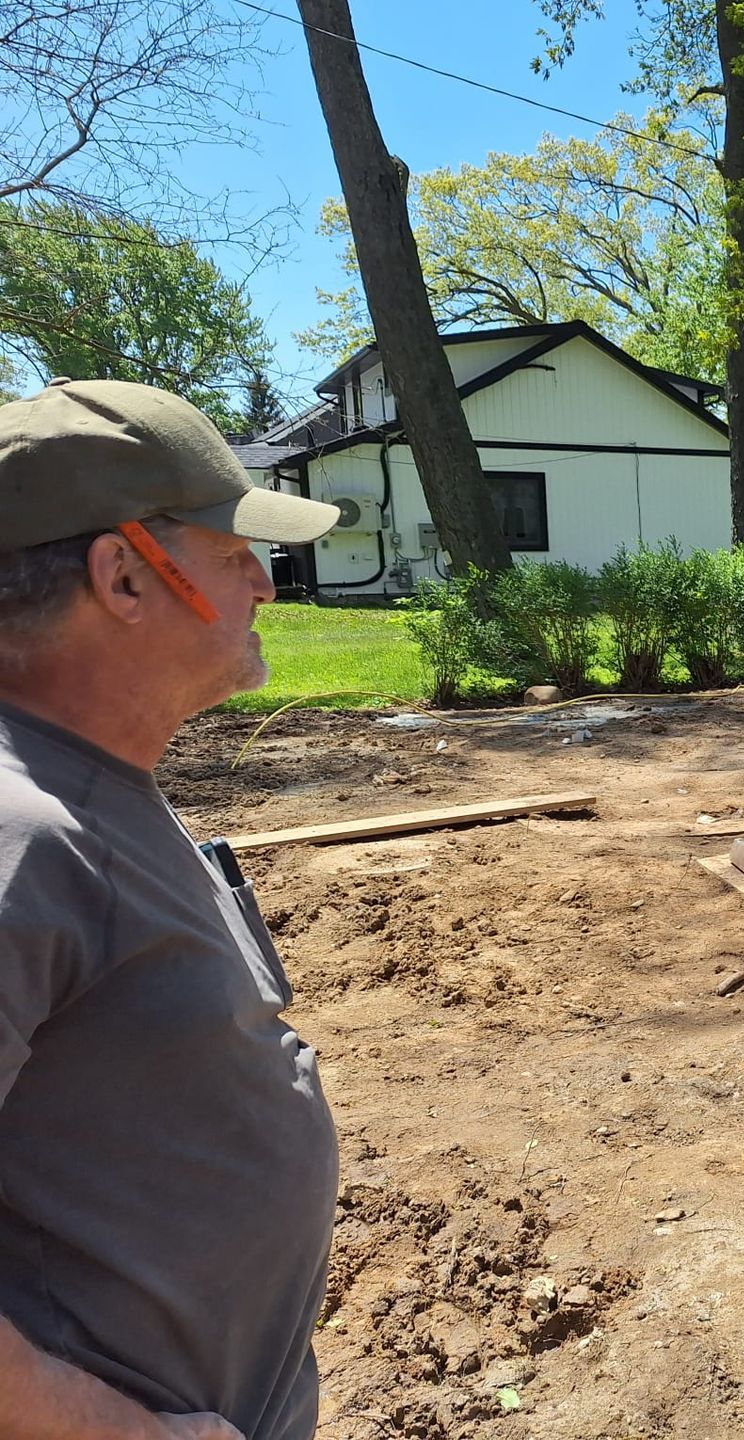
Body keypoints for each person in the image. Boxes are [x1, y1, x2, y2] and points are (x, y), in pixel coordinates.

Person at [0, 379, 347, 1439]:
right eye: (234, 551)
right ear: (126, 577)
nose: (265, 586)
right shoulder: (20, 839)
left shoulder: (92, 780)